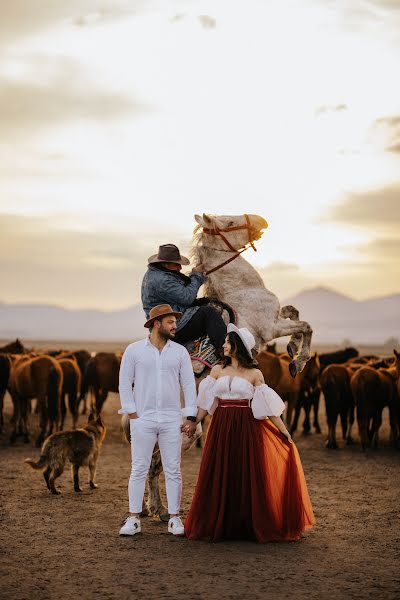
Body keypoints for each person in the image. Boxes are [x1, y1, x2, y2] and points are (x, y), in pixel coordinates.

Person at [184, 323, 315, 542]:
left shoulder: (255, 374)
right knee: (220, 471)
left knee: (245, 473)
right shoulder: (217, 370)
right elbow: (207, 403)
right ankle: (222, 523)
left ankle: (247, 524)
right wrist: (193, 422)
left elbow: (268, 409)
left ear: (237, 346)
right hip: (220, 427)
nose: (224, 345)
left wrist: (284, 431)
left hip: (246, 427)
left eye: (227, 341)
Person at [118, 304, 198, 537]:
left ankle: (175, 518)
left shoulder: (180, 352)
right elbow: (125, 382)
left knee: (173, 470)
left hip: (172, 420)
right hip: (142, 419)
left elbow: (188, 385)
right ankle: (133, 519)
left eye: (175, 322)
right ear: (156, 324)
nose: (175, 326)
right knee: (138, 468)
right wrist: (132, 412)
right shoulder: (134, 351)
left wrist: (190, 416)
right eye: (171, 322)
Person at [141, 243, 227, 352]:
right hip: (173, 325)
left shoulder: (156, 273)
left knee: (207, 301)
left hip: (169, 317)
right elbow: (187, 298)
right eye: (176, 264)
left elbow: (179, 293)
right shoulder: (162, 280)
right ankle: (225, 352)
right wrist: (196, 275)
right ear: (166, 264)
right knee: (208, 314)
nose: (180, 267)